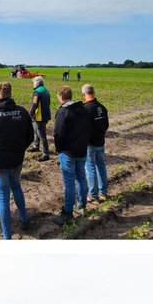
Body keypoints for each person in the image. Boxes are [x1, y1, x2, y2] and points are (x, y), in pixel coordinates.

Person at [0, 82, 35, 239]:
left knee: (3, 194)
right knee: (16, 186)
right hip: (16, 160)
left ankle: (7, 236)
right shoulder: (22, 112)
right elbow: (30, 137)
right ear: (10, 93)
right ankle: (24, 219)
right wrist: (20, 149)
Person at [51, 85, 91, 224]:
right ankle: (82, 204)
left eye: (58, 97)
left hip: (68, 152)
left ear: (62, 97)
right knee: (81, 177)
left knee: (69, 182)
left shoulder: (63, 111)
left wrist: (59, 149)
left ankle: (67, 213)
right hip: (82, 149)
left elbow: (58, 133)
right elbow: (88, 128)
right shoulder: (83, 109)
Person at [82, 83, 111, 202]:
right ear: (93, 93)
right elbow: (106, 125)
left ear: (84, 94)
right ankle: (103, 192)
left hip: (90, 143)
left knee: (90, 168)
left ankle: (93, 195)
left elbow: (84, 128)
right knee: (101, 166)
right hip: (100, 141)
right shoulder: (102, 107)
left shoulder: (85, 109)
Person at [27, 76, 51, 159]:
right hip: (46, 115)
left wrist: (30, 113)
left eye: (33, 82)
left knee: (41, 134)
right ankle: (36, 146)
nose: (33, 84)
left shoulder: (37, 92)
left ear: (37, 82)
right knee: (36, 131)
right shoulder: (46, 90)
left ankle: (45, 153)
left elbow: (34, 104)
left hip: (39, 116)